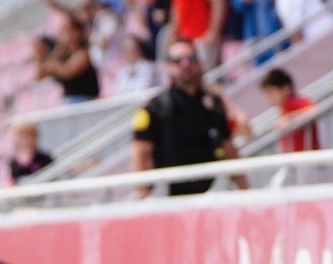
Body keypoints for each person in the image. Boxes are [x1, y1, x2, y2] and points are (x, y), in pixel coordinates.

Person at [131, 38, 248, 196]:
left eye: (191, 59)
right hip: (172, 197)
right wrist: (143, 196)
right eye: (178, 61)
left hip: (212, 191)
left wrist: (245, 190)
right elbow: (140, 155)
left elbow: (229, 146)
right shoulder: (154, 108)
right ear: (168, 66)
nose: (186, 64)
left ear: (199, 63)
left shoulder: (212, 102)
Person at [36, 17, 101, 104]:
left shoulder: (83, 54)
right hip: (70, 100)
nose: (67, 35)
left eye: (70, 31)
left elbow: (68, 72)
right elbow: (41, 75)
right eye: (64, 31)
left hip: (86, 100)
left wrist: (53, 63)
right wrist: (42, 57)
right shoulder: (62, 55)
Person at [260, 68, 320, 153]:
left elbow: (314, 110)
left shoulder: (294, 102)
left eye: (271, 92)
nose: (269, 97)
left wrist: (290, 118)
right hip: (299, 158)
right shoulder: (285, 108)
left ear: (286, 89)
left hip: (306, 158)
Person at [169, 0, 227, 68]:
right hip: (184, 38)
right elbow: (177, 8)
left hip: (203, 38)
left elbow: (219, 4)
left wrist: (213, 32)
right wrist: (174, 33)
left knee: (205, 72)